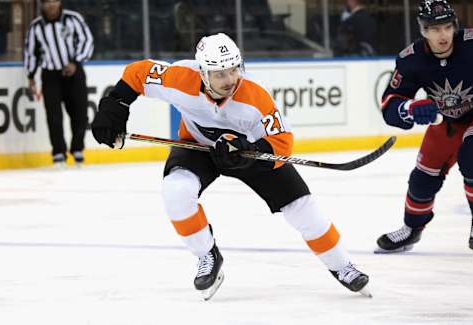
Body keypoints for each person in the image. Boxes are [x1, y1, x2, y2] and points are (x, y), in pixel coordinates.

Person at [91, 33, 371, 300]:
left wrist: (252, 150)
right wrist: (114, 105)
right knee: (175, 191)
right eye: (220, 73)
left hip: (248, 153)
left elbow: (283, 142)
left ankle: (342, 266)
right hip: (199, 148)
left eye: (234, 70)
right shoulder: (179, 78)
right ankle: (206, 255)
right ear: (202, 72)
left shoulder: (255, 97)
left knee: (302, 206)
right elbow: (137, 73)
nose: (229, 79)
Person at [376, 0, 473, 255]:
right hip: (446, 124)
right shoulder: (411, 60)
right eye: (434, 29)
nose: (442, 35)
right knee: (421, 180)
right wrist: (410, 108)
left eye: (446, 27)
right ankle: (412, 228)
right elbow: (390, 105)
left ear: (454, 26)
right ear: (423, 31)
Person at [24, 0, 93, 167]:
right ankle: (58, 153)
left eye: (54, 1)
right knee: (53, 115)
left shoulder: (73, 19)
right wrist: (31, 76)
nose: (51, 5)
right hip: (50, 75)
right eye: (47, 2)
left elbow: (87, 41)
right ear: (42, 5)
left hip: (74, 73)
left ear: (59, 2)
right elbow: (31, 52)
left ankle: (77, 149)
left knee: (80, 113)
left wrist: (75, 62)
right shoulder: (36, 27)